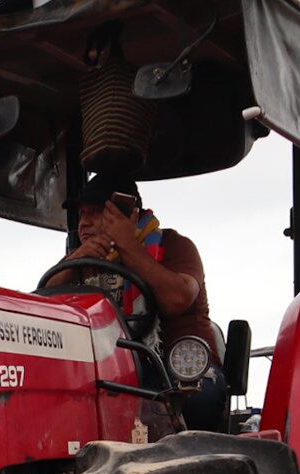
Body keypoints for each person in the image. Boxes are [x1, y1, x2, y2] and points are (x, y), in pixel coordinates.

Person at [45, 173, 227, 431]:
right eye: (81, 215)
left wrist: (128, 245)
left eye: (95, 213)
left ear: (126, 215)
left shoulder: (175, 246)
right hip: (110, 369)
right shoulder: (82, 263)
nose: (83, 224)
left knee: (197, 402)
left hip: (178, 365)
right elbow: (44, 305)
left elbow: (177, 299)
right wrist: (75, 260)